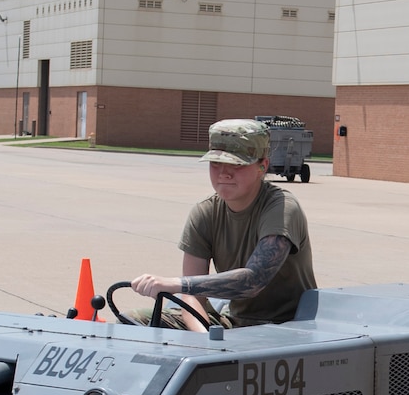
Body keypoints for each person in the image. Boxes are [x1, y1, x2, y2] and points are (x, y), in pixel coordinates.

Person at [129, 119, 317, 329]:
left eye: (237, 164)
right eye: (216, 163)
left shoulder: (282, 208)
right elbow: (192, 298)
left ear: (262, 166)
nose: (224, 173)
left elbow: (253, 281)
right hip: (235, 322)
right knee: (132, 321)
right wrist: (205, 340)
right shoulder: (205, 212)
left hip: (289, 328)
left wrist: (176, 284)